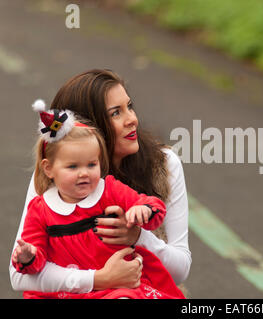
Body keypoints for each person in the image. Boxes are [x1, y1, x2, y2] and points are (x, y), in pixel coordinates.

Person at [10, 69, 191, 295]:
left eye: (130, 107)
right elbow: (19, 276)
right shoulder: (56, 177)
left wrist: (137, 237)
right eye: (116, 113)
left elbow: (181, 270)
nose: (132, 119)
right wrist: (99, 279)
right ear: (85, 127)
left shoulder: (163, 163)